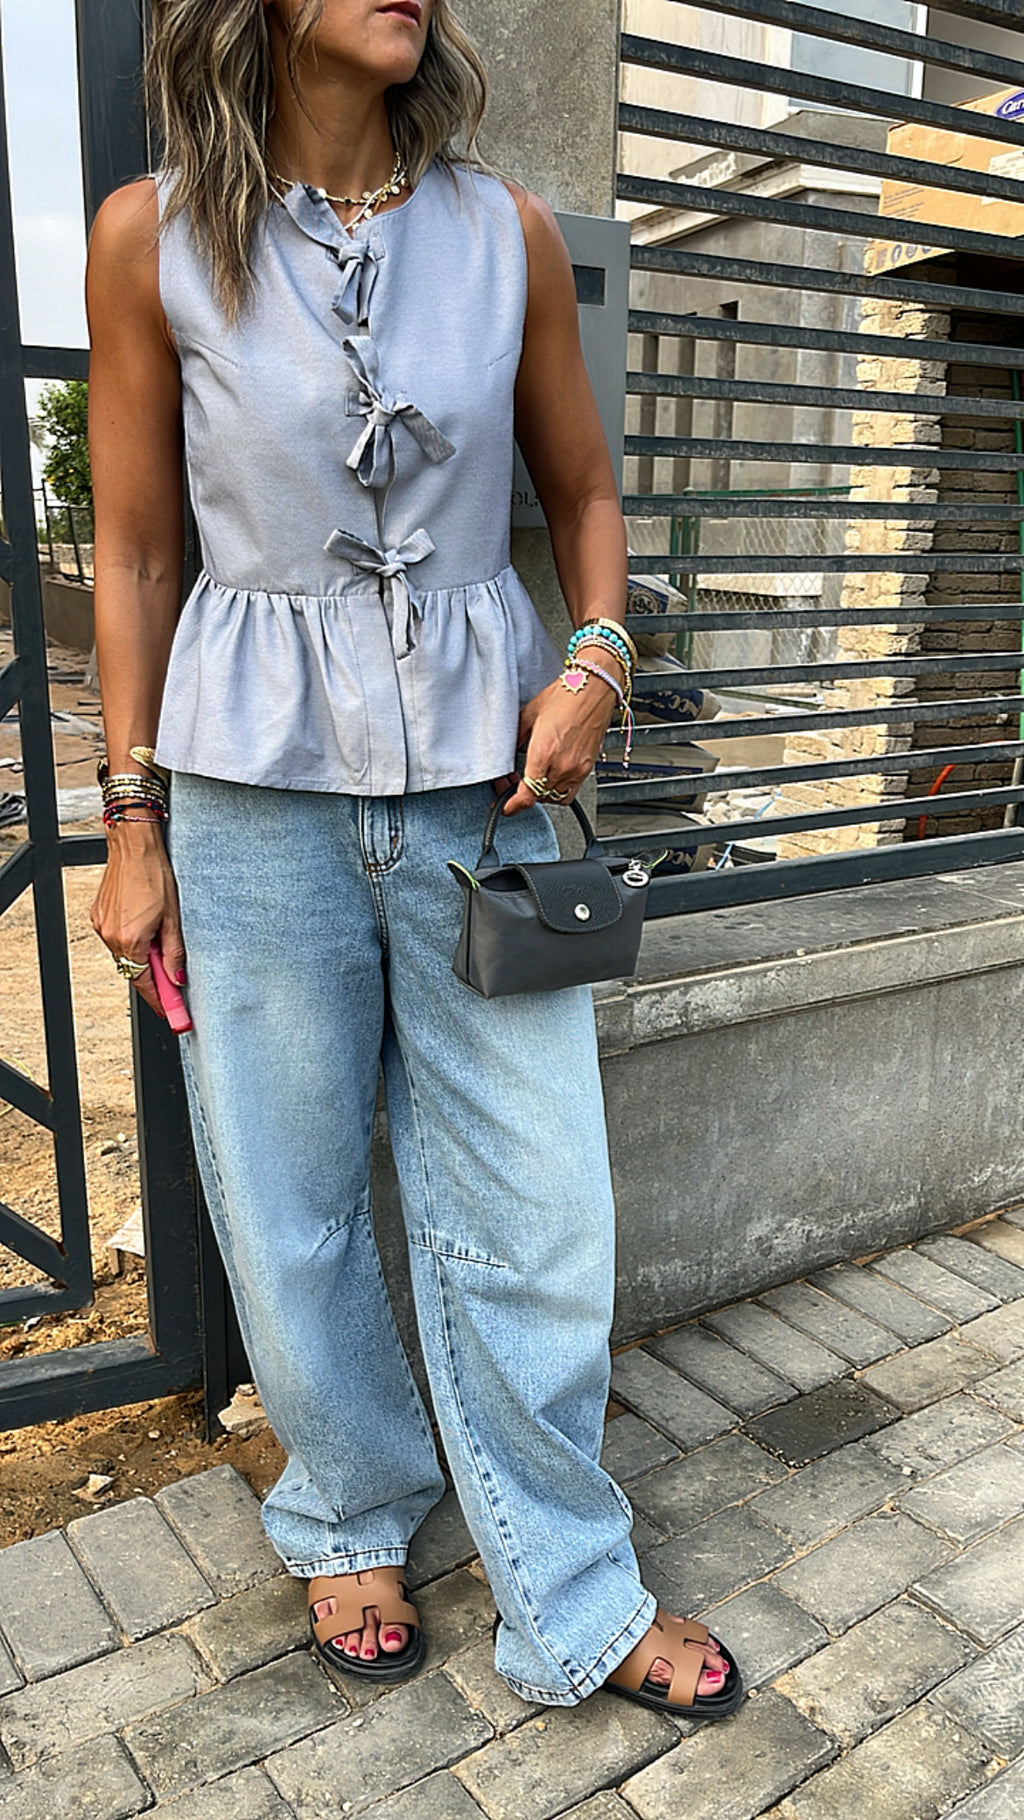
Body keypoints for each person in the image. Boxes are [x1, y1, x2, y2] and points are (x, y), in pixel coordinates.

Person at [87, 0, 743, 1718]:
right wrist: (132, 819)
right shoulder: (150, 236)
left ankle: (571, 1587)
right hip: (245, 803)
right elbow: (139, 552)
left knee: (542, 1207)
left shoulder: (501, 230)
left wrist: (598, 661)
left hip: (482, 799)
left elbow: (585, 489)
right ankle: (349, 1506)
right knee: (290, 1202)